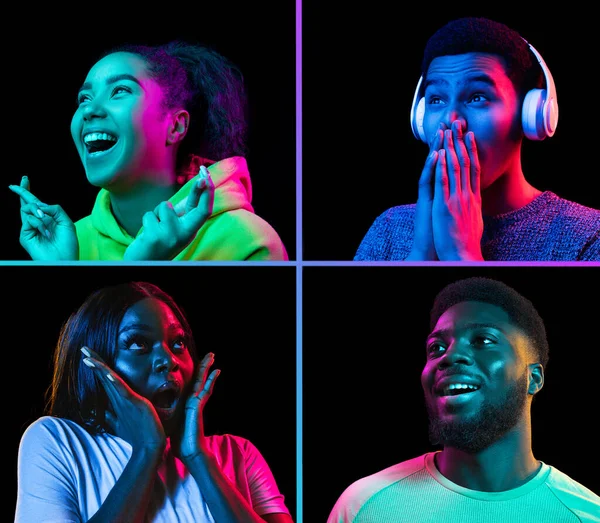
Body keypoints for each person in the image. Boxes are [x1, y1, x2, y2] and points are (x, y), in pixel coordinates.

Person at [14, 281, 294, 522]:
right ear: (97, 363)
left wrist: (198, 458)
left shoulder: (238, 454)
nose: (168, 360)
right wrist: (147, 450)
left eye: (177, 344)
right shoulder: (56, 441)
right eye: (139, 344)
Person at [327, 276, 600, 522]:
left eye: (483, 340)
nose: (449, 355)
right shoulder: (363, 507)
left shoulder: (587, 514)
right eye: (437, 347)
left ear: (535, 378)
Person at [9, 41, 288, 261]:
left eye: (120, 91)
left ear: (175, 127)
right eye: (84, 98)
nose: (89, 110)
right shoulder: (72, 243)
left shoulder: (247, 242)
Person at [354, 17, 600, 261]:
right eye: (436, 100)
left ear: (531, 113)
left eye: (477, 97)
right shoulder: (388, 230)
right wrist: (420, 255)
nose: (451, 120)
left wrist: (460, 255)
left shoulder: (588, 236)